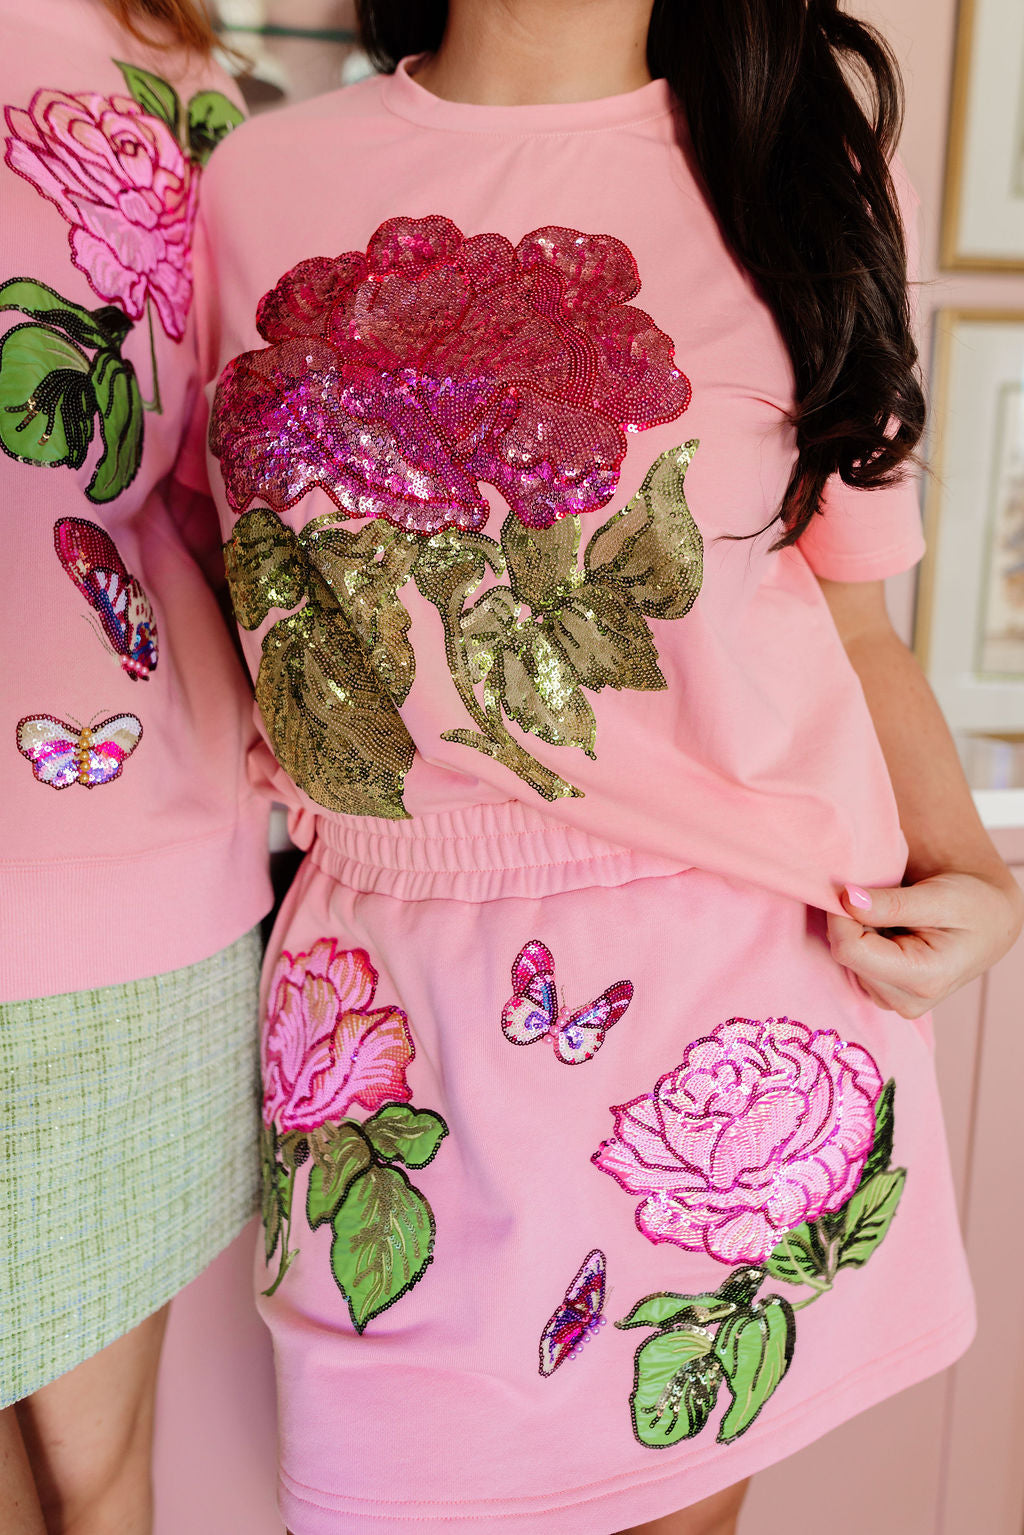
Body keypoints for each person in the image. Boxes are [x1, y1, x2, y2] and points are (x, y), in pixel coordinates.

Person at [189, 1, 1024, 1531]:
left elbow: (851, 616)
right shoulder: (252, 185)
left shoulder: (808, 178)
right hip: (389, 1004)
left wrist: (972, 870)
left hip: (731, 1005)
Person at [0, 2, 272, 1531]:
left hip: (124, 893)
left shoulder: (177, 80)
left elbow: (227, 488)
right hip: (123, 868)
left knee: (90, 1476)